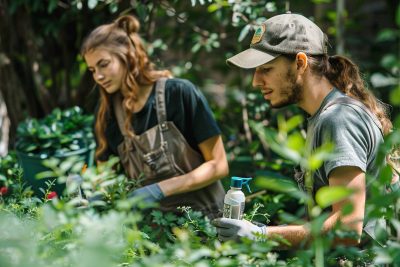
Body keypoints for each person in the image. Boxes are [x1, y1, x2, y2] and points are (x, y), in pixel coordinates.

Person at [212, 12, 397, 247]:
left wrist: (260, 235)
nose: (255, 81)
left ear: (300, 63)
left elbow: (348, 228)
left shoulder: (339, 119)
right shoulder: (322, 115)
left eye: (266, 69)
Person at [80, 15, 229, 219]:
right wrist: (93, 197)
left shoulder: (179, 94)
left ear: (128, 55)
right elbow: (109, 181)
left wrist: (159, 189)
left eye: (103, 64)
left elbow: (218, 166)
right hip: (153, 236)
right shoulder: (106, 115)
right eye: (92, 70)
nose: (98, 76)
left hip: (207, 223)